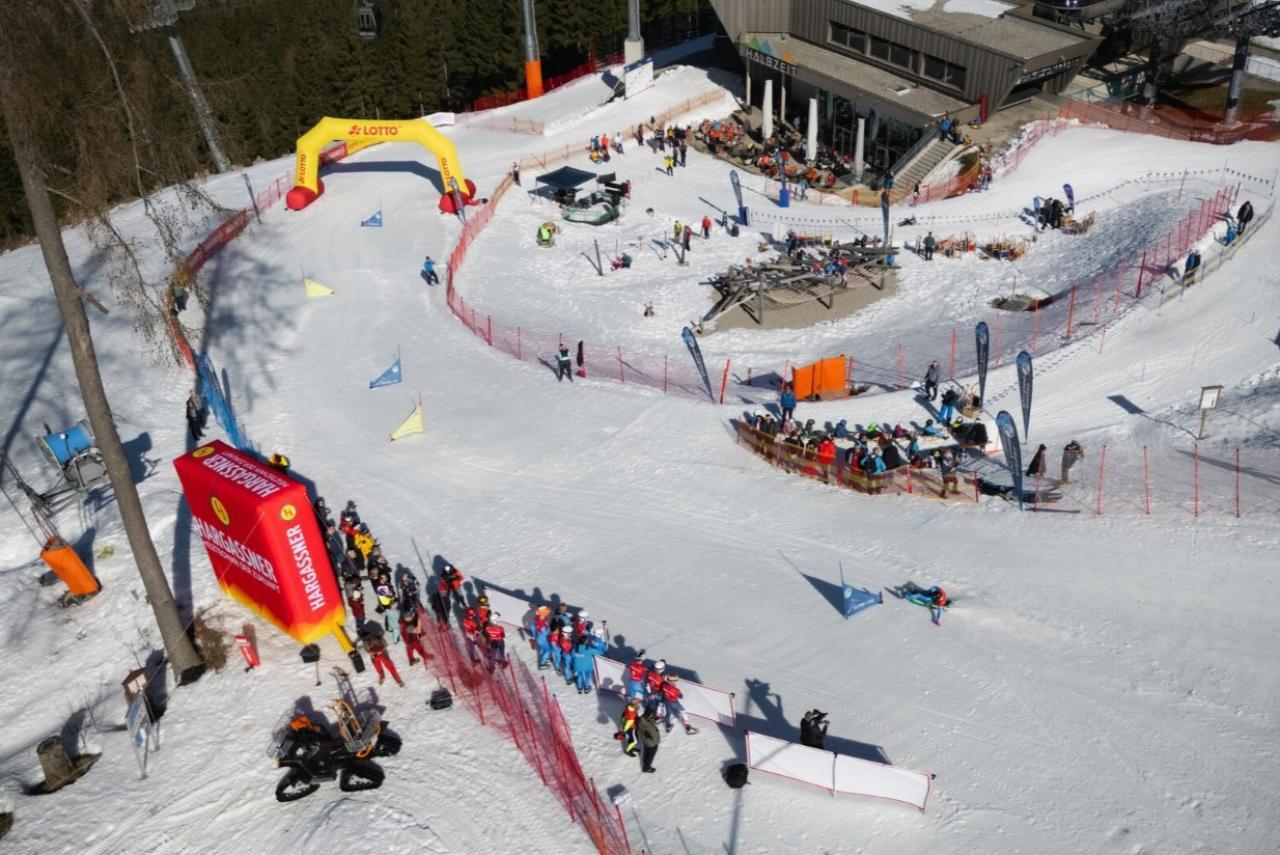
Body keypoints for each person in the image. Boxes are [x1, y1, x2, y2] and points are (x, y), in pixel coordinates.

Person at [637, 708, 661, 773]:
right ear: (649, 716)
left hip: (646, 741)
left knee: (646, 752)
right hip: (652, 744)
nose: (654, 716)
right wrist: (657, 741)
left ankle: (644, 763)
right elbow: (654, 735)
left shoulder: (642, 719)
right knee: (650, 756)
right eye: (652, 715)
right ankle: (646, 768)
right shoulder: (648, 726)